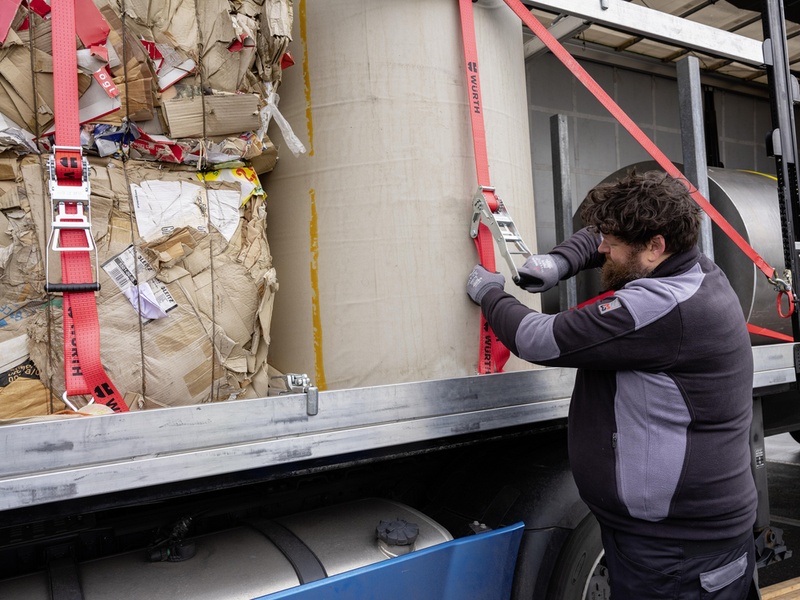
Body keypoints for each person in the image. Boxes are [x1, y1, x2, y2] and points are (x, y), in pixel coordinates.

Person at [466, 170, 759, 600]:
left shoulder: (660, 307)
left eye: (612, 245)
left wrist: (491, 294)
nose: (601, 248)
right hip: (675, 543)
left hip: (677, 557)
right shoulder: (695, 268)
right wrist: (561, 261)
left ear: (655, 246)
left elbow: (538, 338)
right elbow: (602, 235)